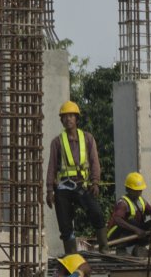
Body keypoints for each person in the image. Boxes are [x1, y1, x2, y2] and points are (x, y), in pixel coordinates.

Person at [46, 99, 108, 255]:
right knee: (65, 225)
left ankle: (104, 248)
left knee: (97, 214)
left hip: (83, 185)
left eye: (71, 116)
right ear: (61, 120)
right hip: (63, 188)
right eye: (65, 117)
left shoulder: (87, 138)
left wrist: (95, 182)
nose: (68, 119)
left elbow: (95, 161)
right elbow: (52, 167)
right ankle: (71, 255)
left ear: (77, 118)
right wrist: (49, 191)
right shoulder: (57, 142)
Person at [106, 171, 151, 255]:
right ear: (128, 189)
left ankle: (139, 247)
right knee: (131, 221)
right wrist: (136, 230)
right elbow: (117, 219)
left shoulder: (141, 201)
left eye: (140, 190)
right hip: (116, 236)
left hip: (134, 233)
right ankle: (120, 249)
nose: (138, 193)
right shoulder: (123, 203)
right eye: (135, 190)